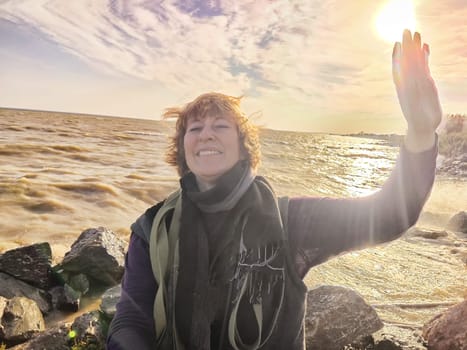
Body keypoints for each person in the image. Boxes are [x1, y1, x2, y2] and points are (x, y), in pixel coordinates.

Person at [107, 30, 441, 350]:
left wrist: (420, 134)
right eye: (195, 128)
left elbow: (388, 215)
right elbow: (131, 321)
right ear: (183, 149)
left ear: (243, 146)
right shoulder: (152, 229)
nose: (206, 134)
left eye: (221, 126)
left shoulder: (289, 222)